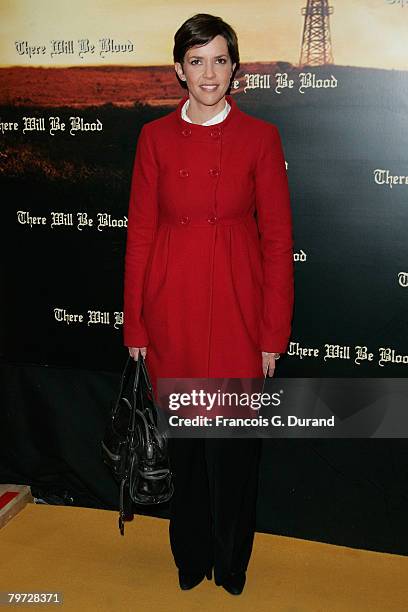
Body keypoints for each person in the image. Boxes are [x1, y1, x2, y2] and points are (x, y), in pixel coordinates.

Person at [123, 13, 294, 596]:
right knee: (188, 454)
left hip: (241, 314)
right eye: (197, 61)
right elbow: (140, 233)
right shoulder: (153, 137)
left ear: (235, 68)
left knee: (234, 456)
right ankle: (190, 559)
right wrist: (135, 325)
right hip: (171, 310)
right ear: (179, 70)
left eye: (220, 59)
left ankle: (233, 564)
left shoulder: (261, 138)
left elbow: (277, 240)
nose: (209, 72)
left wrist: (273, 334)